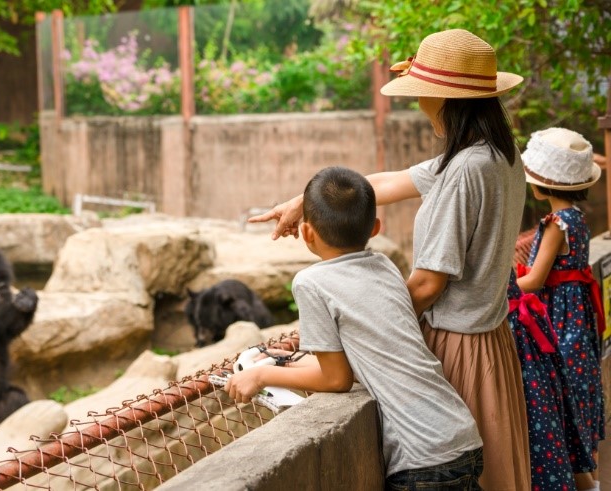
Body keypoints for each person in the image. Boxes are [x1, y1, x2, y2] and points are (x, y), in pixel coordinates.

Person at [249, 29, 530, 489]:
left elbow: (426, 285)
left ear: (444, 99)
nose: (418, 104)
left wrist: (366, 332)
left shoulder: (464, 172)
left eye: (421, 93)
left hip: (458, 347)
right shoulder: (497, 153)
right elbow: (386, 183)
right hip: (491, 341)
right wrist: (306, 200)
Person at [225, 166, 484, 488]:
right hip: (460, 433)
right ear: (375, 228)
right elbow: (368, 350)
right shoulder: (385, 265)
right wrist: (286, 360)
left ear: (306, 234)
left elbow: (336, 379)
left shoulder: (311, 283)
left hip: (423, 457)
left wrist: (261, 374)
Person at [516, 127, 606, 491]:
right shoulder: (579, 218)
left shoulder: (556, 225)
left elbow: (536, 280)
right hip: (578, 314)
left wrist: (502, 289)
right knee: (582, 397)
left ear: (539, 185)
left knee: (565, 398)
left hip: (561, 317)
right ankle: (593, 481)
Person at [507, 268, 596, 490]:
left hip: (545, 325)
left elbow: (536, 279)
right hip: (535, 329)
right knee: (559, 438)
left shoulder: (557, 230)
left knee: (545, 437)